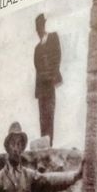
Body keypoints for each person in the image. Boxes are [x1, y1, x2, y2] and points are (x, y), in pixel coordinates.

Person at [34, 13, 62, 146]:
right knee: (42, 117)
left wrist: (51, 76)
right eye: (37, 29)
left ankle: (49, 144)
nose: (38, 31)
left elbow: (57, 57)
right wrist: (43, 76)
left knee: (49, 114)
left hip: (50, 84)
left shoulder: (53, 38)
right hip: (41, 87)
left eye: (40, 27)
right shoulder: (37, 49)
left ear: (43, 26)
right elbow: (37, 66)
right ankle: (43, 144)